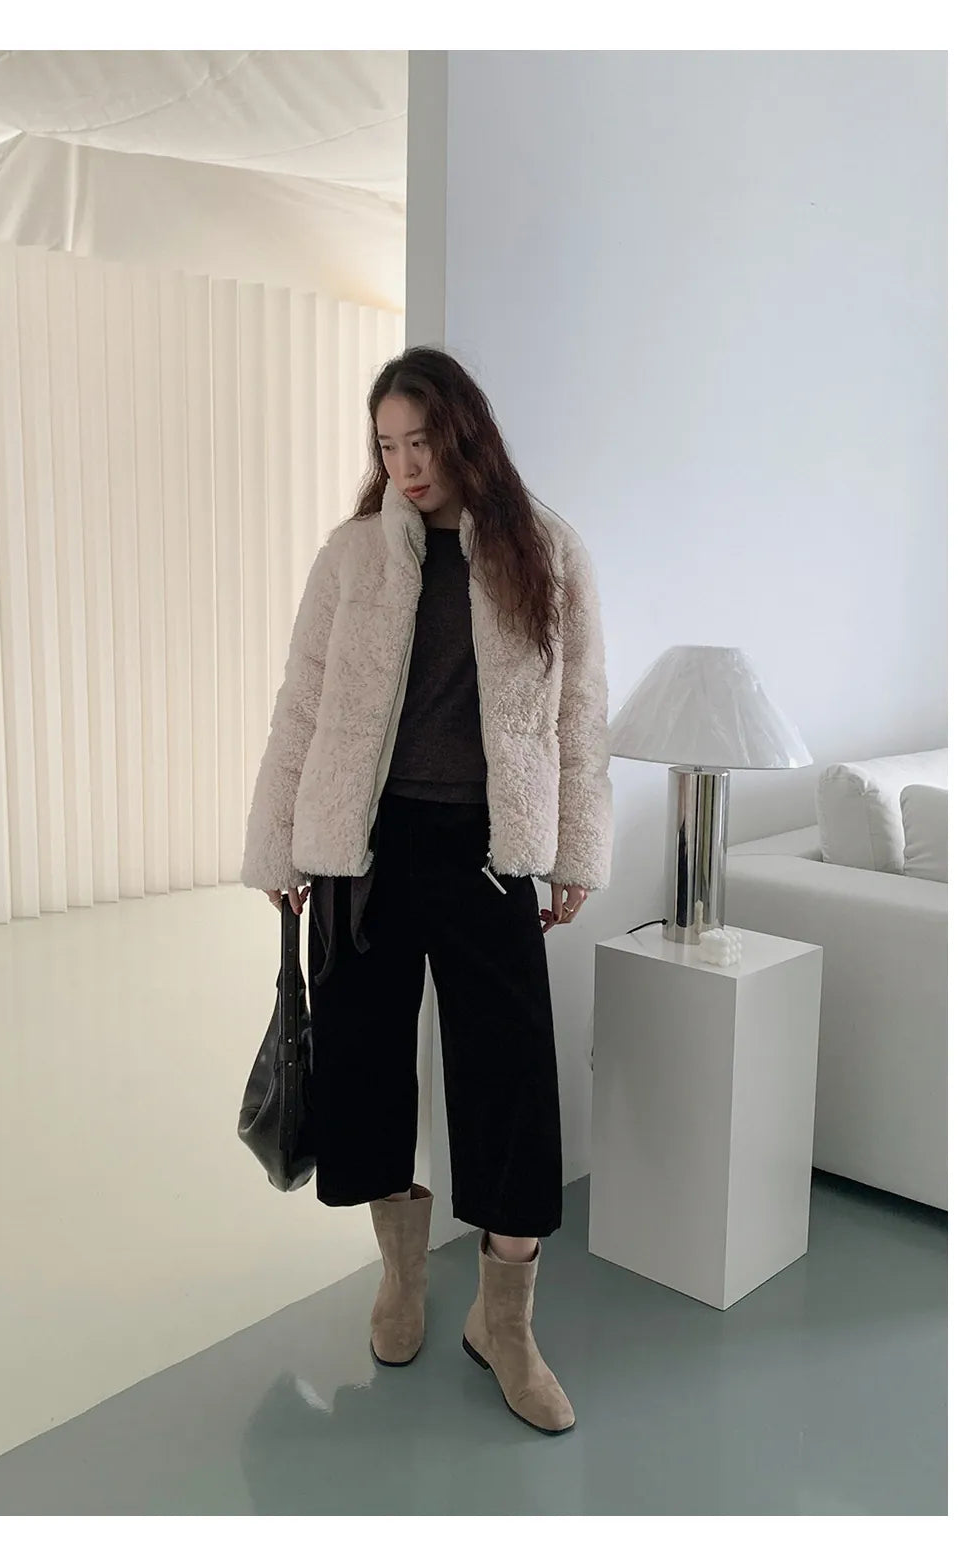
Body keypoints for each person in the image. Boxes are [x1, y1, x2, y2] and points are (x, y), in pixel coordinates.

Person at [241, 346, 612, 1435]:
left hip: (489, 853)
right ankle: (401, 1277)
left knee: (511, 1083)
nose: (405, 465)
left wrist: (573, 851)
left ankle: (505, 1323)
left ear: (465, 434)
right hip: (361, 851)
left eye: (422, 442)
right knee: (364, 1069)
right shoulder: (351, 554)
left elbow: (579, 712)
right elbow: (302, 703)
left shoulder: (545, 549)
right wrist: (282, 847)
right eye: (387, 445)